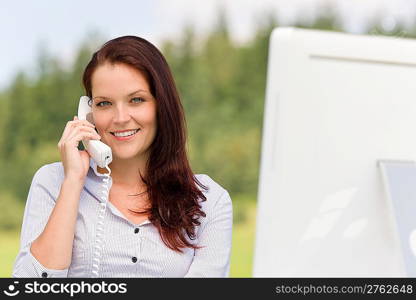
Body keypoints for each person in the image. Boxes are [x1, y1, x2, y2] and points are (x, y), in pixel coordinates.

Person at [12, 36, 233, 277]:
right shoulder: (53, 181)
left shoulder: (209, 201)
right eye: (104, 103)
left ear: (161, 105)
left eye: (136, 100)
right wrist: (73, 181)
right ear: (88, 112)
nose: (120, 118)